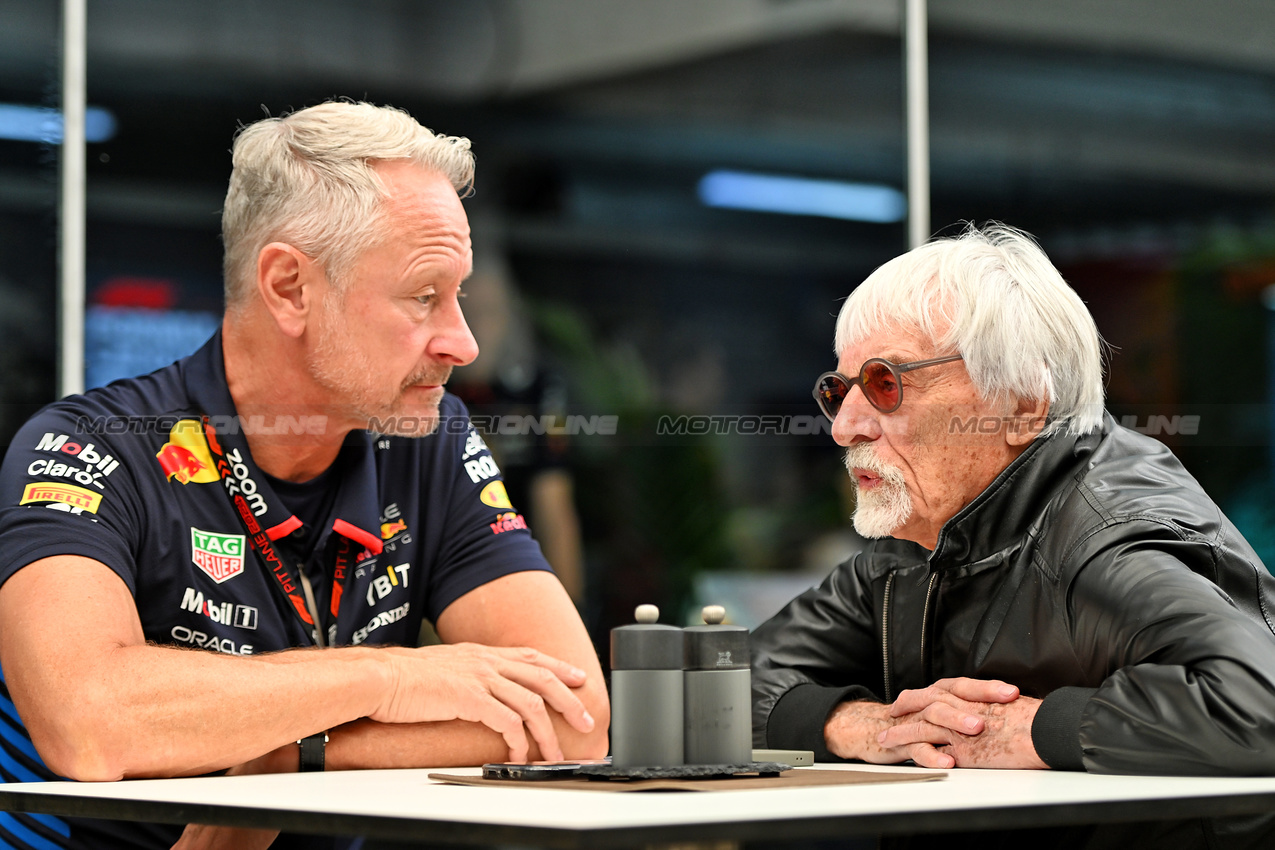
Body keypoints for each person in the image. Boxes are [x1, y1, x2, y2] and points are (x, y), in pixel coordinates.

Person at [0, 101, 608, 850]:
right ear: (289, 288)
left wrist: (285, 753)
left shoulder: (430, 437)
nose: (463, 343)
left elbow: (571, 718)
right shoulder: (90, 445)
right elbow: (90, 722)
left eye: (458, 294)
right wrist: (389, 682)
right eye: (423, 296)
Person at [751, 224, 1275, 847]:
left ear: (1023, 403)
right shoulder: (915, 547)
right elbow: (717, 688)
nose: (845, 429)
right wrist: (859, 724)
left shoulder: (1106, 538)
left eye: (885, 384)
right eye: (838, 392)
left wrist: (1022, 729)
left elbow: (1257, 704)